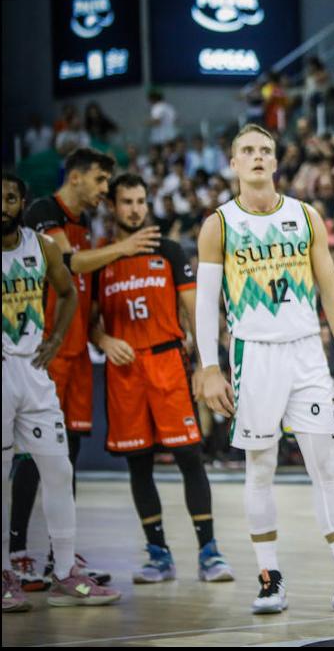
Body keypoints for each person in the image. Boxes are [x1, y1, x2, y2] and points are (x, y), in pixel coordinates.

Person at [194, 124, 334, 614]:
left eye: (266, 149)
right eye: (248, 150)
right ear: (233, 162)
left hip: (308, 351)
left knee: (326, 466)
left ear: (276, 160)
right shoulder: (218, 225)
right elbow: (205, 307)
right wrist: (208, 368)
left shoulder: (306, 216)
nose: (258, 157)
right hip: (254, 354)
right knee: (260, 465)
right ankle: (269, 576)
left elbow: (332, 291)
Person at [11, 148, 157, 589]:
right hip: (41, 355)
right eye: (98, 181)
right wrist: (125, 247)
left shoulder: (86, 225)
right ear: (75, 177)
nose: (103, 191)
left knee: (66, 457)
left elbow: (84, 291)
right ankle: (17, 553)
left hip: (75, 353)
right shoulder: (41, 212)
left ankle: (62, 557)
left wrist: (98, 335)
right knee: (32, 459)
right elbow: (70, 264)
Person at [88, 174, 233, 584]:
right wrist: (102, 338)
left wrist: (207, 367)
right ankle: (158, 554)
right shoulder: (101, 261)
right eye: (127, 202)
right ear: (112, 207)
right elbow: (88, 322)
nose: (135, 208)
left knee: (190, 457)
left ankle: (209, 552)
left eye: (141, 201)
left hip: (168, 363)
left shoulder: (169, 251)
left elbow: (195, 308)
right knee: (139, 464)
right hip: (125, 369)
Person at [2, 173, 120, 612]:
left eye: (10, 198)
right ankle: (4, 574)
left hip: (33, 370)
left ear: (22, 202)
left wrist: (55, 340)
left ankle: (66, 571)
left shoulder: (42, 246)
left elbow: (69, 294)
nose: (3, 205)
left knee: (59, 470)